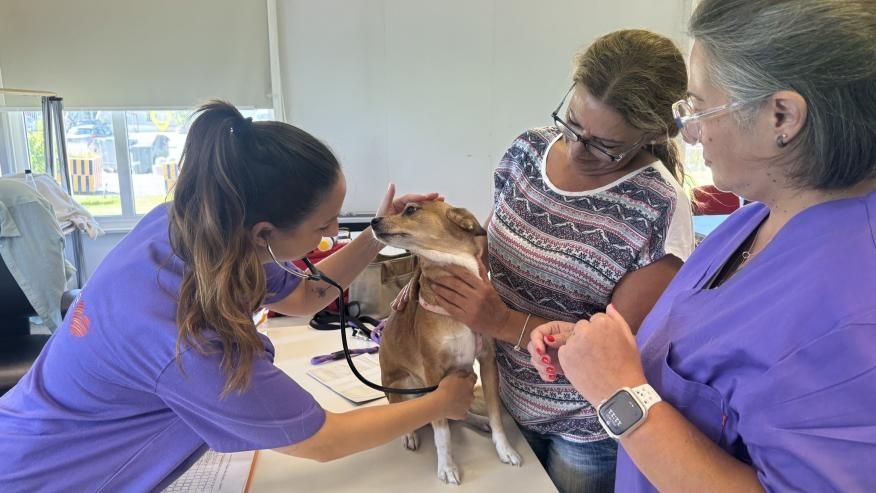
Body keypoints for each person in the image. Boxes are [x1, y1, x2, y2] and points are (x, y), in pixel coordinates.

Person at [0, 101, 476, 492]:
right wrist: (440, 403)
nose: (336, 233)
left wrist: (379, 233)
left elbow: (308, 294)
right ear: (265, 232)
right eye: (324, 226)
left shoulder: (197, 231)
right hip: (47, 477)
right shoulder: (186, 341)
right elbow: (322, 441)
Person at [529, 0, 876, 491]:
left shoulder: (852, 313)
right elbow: (702, 361)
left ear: (782, 116)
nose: (688, 131)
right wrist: (602, 353)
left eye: (699, 106)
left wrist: (618, 391)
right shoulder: (762, 213)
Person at [419, 30, 694, 492]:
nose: (576, 148)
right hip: (503, 397)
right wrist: (440, 256)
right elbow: (487, 249)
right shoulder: (527, 151)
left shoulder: (658, 209)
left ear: (652, 134)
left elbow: (615, 354)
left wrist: (501, 320)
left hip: (584, 430)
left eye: (605, 145)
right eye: (571, 124)